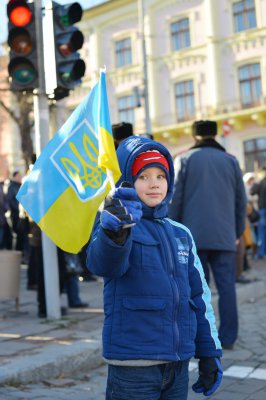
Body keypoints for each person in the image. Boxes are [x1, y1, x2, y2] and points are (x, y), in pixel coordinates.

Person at [87, 135, 223, 400]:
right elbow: (103, 264)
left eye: (160, 176)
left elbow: (199, 298)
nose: (154, 184)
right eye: (143, 176)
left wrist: (209, 350)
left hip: (177, 365)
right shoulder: (115, 222)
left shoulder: (181, 232)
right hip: (133, 366)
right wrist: (114, 233)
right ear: (126, 180)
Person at [169, 120, 247, 350]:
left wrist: (174, 232)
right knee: (227, 288)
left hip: (192, 237)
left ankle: (196, 336)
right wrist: (236, 231)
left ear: (194, 137)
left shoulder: (184, 160)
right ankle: (228, 337)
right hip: (225, 236)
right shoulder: (231, 161)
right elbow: (240, 201)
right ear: (215, 134)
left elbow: (176, 201)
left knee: (194, 289)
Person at [250, 166, 266, 259]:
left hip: (263, 210)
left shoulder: (261, 182)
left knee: (261, 233)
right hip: (263, 210)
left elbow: (252, 191)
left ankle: (261, 253)